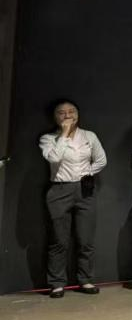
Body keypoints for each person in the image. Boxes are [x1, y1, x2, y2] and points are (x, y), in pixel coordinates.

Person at [39, 99, 107, 298]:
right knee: (59, 240)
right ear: (55, 117)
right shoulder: (48, 138)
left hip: (85, 190)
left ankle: (85, 280)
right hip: (59, 190)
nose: (67, 115)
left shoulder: (89, 136)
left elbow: (101, 160)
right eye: (62, 112)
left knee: (85, 240)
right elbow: (54, 158)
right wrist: (65, 134)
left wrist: (87, 173)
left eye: (71, 111)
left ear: (78, 114)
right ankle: (57, 283)